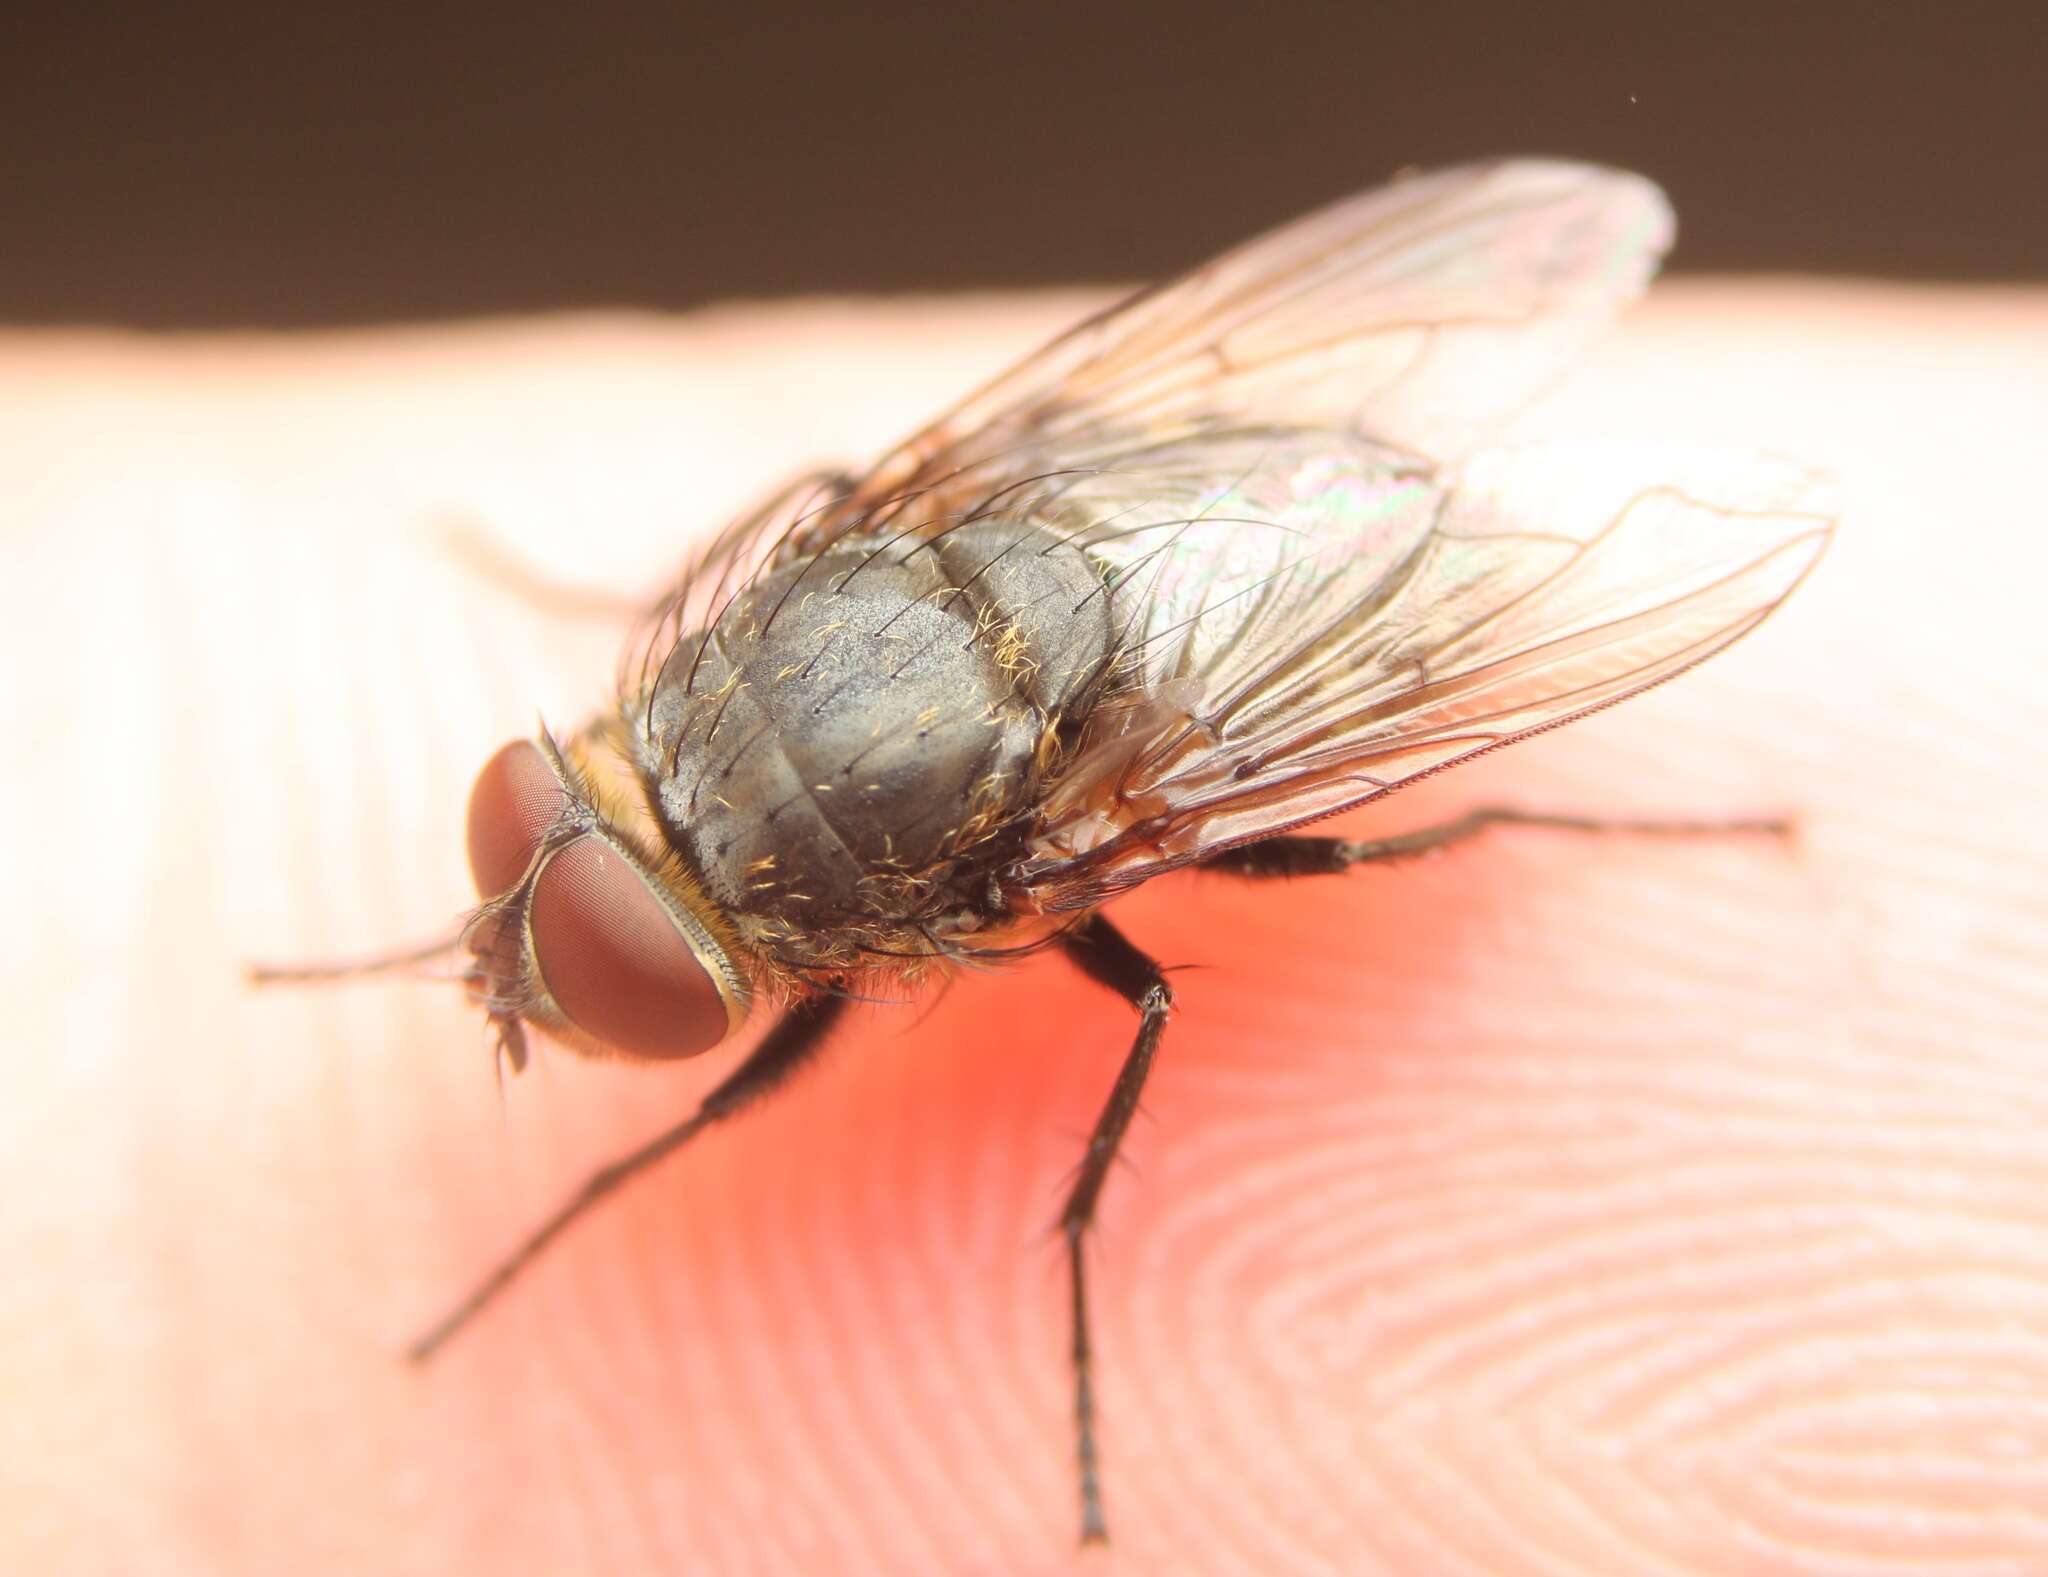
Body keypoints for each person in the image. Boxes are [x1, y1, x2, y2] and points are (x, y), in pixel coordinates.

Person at [5, 282, 2045, 1573]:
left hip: (1284, 623)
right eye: (548, 838)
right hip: (1144, 473)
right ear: (602, 746)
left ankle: (1541, 820)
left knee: (1203, 933)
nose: (520, 906)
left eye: (529, 835)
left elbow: (1119, 939)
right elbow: (884, 491)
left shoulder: (1003, 858)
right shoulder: (781, 620)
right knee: (878, 493)